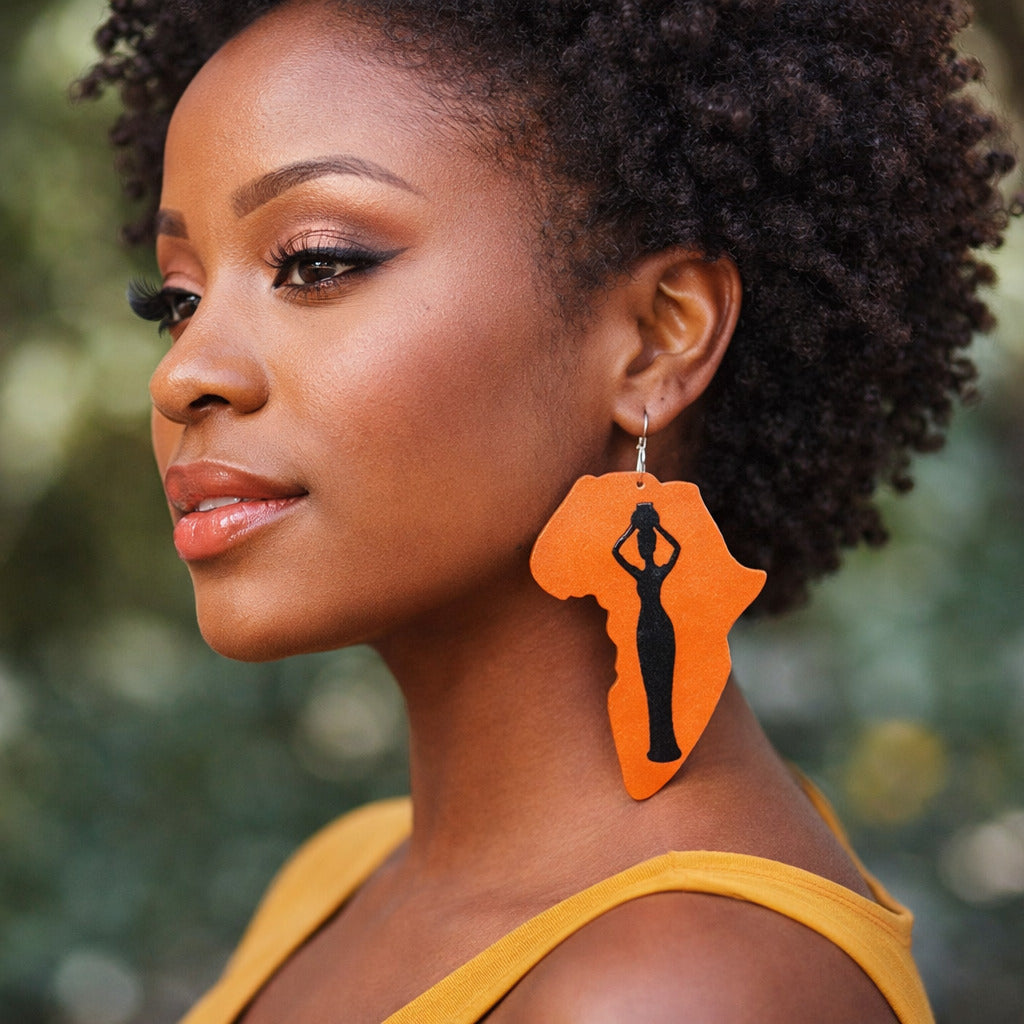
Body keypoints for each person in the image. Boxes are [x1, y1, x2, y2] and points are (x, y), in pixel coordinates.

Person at [77, 0, 1017, 1021]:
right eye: (178, 300)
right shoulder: (340, 878)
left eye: (316, 262)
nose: (183, 374)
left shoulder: (676, 990)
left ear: (656, 338)